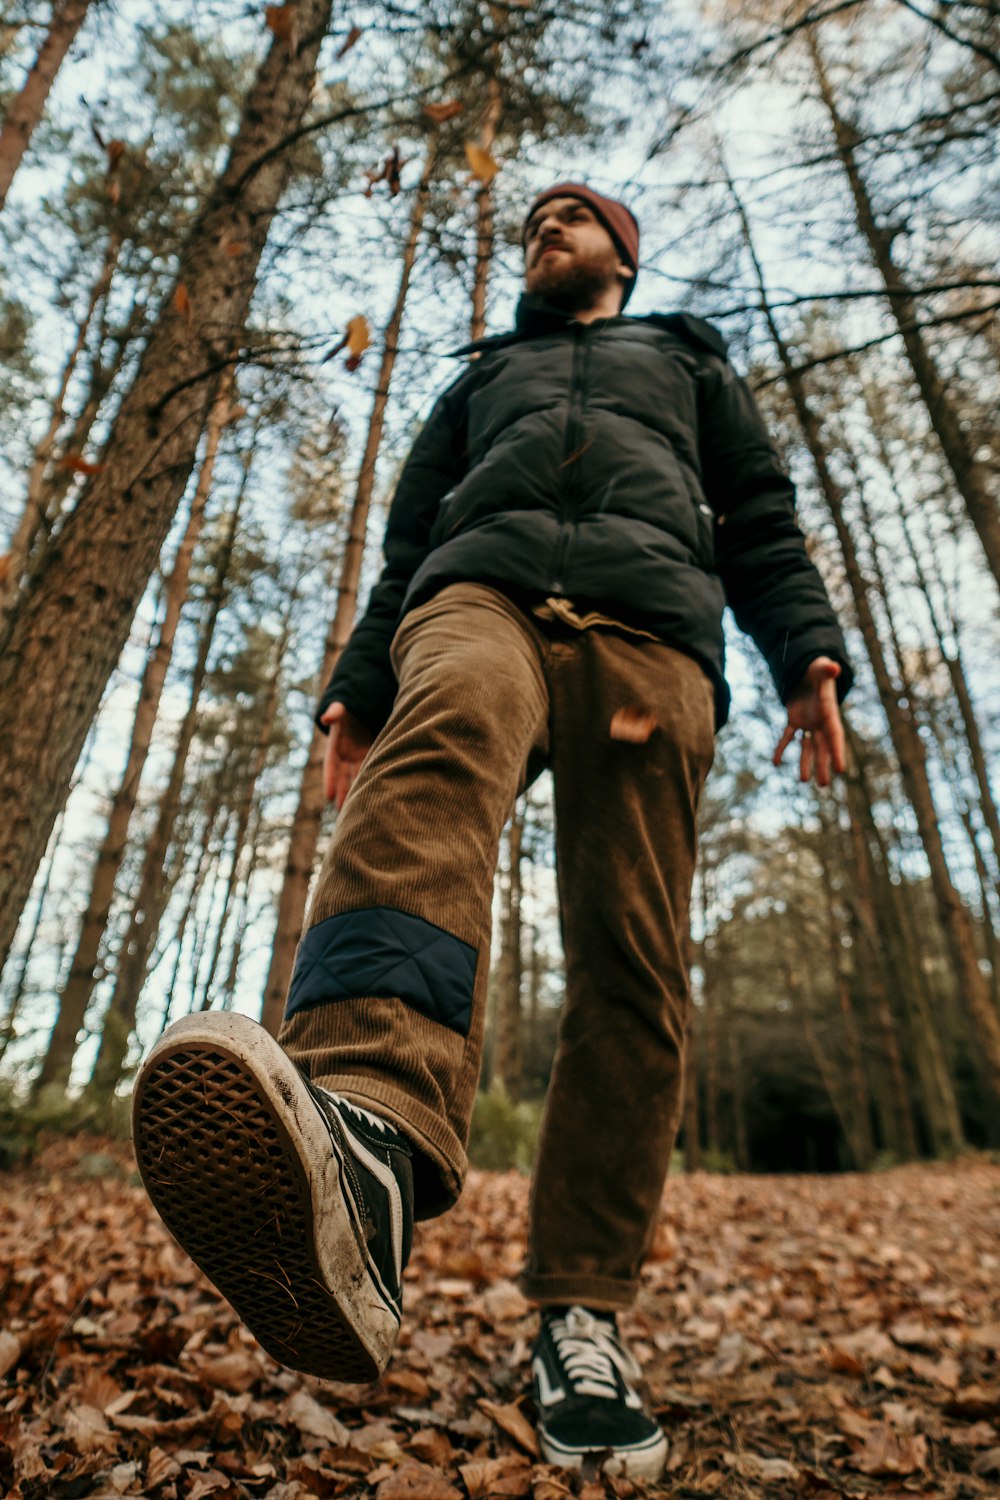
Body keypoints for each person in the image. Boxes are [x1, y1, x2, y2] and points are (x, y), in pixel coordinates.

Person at [132, 183, 851, 1482]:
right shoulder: (482, 377)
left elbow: (761, 519)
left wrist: (807, 652)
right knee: (443, 733)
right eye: (533, 221)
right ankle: (365, 1142)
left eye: (573, 217)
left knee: (630, 959)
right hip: (485, 595)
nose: (546, 228)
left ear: (623, 255)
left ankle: (582, 1310)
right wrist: (356, 683)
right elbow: (409, 539)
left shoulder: (686, 359)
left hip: (652, 634)